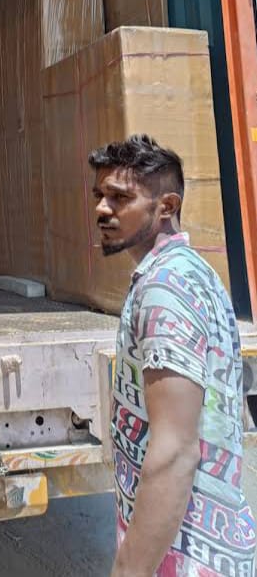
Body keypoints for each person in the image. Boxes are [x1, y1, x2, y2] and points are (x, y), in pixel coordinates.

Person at [89, 134, 255, 577]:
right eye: (100, 196)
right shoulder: (190, 272)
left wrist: (129, 569)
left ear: (166, 206)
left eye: (120, 197)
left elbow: (176, 453)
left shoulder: (166, 290)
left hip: (184, 559)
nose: (103, 209)